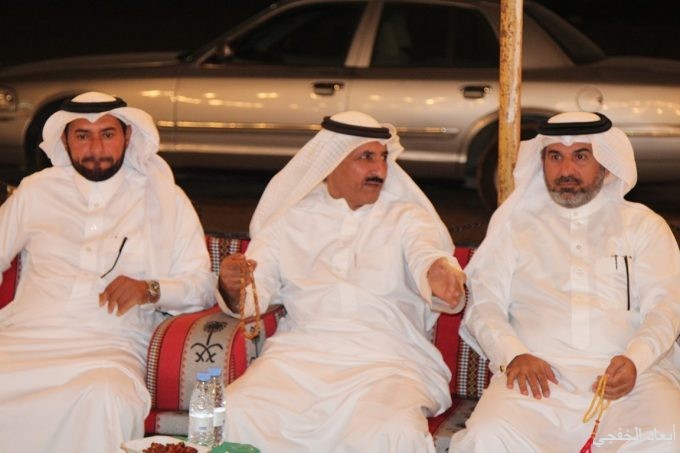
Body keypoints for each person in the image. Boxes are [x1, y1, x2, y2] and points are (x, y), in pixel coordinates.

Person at [217, 111, 467, 452]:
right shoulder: (289, 219)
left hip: (389, 361)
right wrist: (233, 286)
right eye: (366, 158)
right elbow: (252, 296)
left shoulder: (407, 217)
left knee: (391, 431)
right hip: (298, 359)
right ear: (331, 161)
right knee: (236, 410)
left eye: (383, 158)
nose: (380, 170)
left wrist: (438, 272)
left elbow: (428, 254)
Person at [450, 112, 680, 452]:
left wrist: (636, 359)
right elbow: (484, 305)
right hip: (537, 378)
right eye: (555, 157)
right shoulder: (514, 226)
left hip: (634, 378)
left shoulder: (643, 226)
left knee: (667, 438)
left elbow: (667, 306)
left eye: (581, 156)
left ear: (605, 163)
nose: (566, 170)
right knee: (488, 435)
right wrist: (514, 355)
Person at [0, 92, 215, 453]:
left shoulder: (164, 199)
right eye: (83, 135)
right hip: (24, 338)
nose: (96, 147)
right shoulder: (36, 191)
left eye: (108, 134)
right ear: (65, 140)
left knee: (106, 396)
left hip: (109, 348)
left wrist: (150, 289)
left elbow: (203, 286)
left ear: (128, 136)